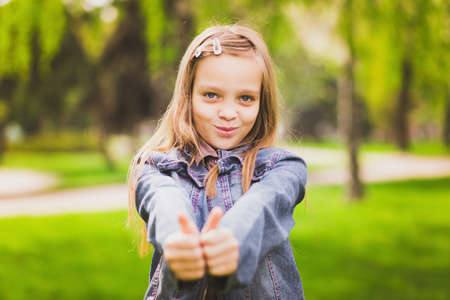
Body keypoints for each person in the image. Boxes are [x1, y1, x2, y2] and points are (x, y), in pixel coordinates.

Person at [128, 24, 307, 300]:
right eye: (211, 95)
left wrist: (232, 239)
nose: (227, 113)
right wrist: (177, 237)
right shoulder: (154, 168)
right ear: (188, 95)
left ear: (262, 102)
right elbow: (165, 202)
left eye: (245, 98)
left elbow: (262, 206)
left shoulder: (283, 168)